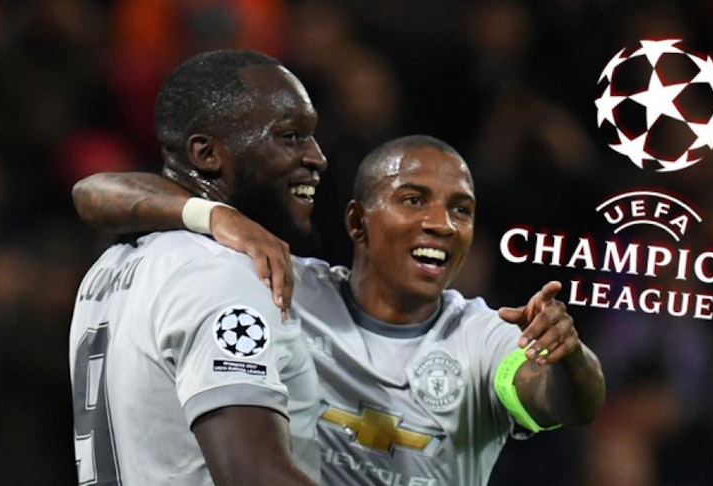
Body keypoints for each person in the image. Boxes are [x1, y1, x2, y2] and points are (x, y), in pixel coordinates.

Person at [73, 135, 606, 485]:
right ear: (357, 222)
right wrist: (211, 215)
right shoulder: (281, 284)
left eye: (460, 210)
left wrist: (568, 358)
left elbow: (564, 401)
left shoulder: (482, 335)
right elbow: (95, 193)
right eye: (413, 200)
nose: (441, 224)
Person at [68, 49, 325, 485]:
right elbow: (250, 475)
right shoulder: (221, 273)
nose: (317, 156)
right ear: (206, 154)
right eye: (290, 136)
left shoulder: (109, 269)